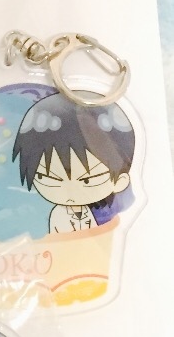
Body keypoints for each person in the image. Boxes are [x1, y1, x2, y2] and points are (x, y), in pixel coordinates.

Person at [12, 93, 135, 235]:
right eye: (50, 178)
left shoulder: (98, 212)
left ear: (120, 181)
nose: (69, 190)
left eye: (87, 180)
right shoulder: (59, 215)